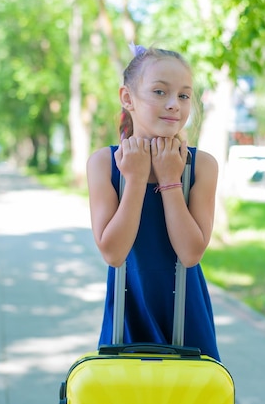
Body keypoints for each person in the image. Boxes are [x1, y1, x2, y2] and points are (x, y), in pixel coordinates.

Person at [86, 44, 221, 361]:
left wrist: (171, 180)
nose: (174, 104)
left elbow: (190, 254)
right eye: (160, 92)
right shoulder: (105, 164)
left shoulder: (201, 166)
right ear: (127, 98)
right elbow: (113, 252)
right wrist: (134, 178)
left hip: (186, 316)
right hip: (127, 312)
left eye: (184, 95)